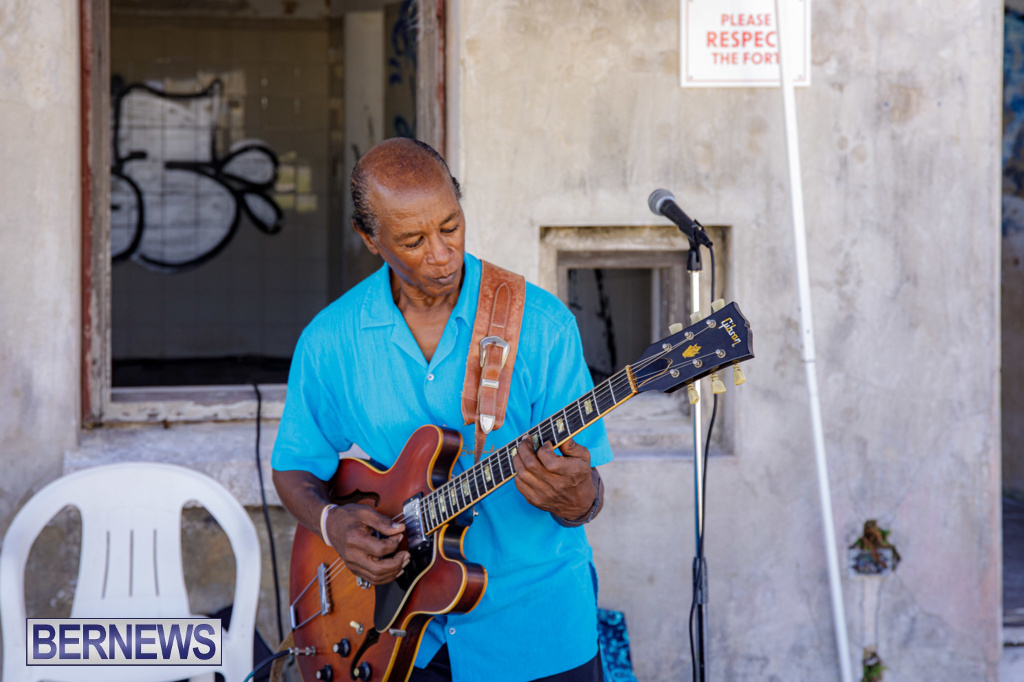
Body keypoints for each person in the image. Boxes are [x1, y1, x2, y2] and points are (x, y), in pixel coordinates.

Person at [272, 137, 612, 682]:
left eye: (450, 227)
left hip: (534, 630)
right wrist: (333, 523)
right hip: (398, 643)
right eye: (412, 239)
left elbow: (586, 492)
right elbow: (294, 464)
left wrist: (577, 499)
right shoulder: (331, 340)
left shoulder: (544, 326)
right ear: (370, 239)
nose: (440, 253)